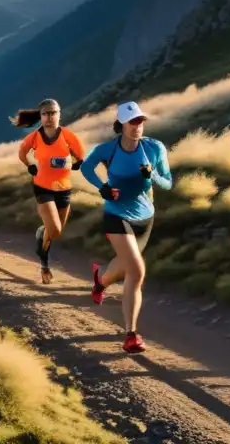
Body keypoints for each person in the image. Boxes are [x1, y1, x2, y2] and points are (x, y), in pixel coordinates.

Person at [80, 101, 172, 354]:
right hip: (116, 216)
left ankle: (100, 281)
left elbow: (168, 184)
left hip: (145, 218)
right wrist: (103, 188)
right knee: (137, 271)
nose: (137, 126)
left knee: (122, 267)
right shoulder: (108, 150)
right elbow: (86, 167)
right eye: (132, 122)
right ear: (121, 124)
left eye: (140, 121)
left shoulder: (154, 148)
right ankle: (131, 335)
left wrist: (151, 175)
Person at [10, 98, 86, 284]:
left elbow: (80, 156)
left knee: (56, 233)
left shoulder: (68, 136)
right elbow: (21, 153)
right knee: (54, 229)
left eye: (53, 113)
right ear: (41, 116)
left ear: (59, 114)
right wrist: (30, 166)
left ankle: (41, 233)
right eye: (45, 114)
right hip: (43, 188)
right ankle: (44, 265)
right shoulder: (34, 137)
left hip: (64, 189)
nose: (50, 117)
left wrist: (74, 164)